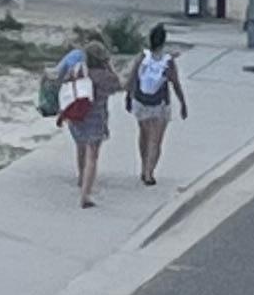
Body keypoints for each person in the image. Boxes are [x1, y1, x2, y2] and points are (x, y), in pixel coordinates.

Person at [56, 32, 113, 209]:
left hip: (77, 115)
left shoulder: (77, 68)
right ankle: (85, 194)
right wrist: (109, 67)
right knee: (92, 155)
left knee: (80, 147)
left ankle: (82, 177)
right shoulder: (104, 75)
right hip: (96, 119)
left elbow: (61, 81)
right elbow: (118, 85)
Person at [128, 27, 189, 185]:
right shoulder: (168, 61)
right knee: (156, 140)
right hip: (160, 104)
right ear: (164, 41)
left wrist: (128, 97)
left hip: (141, 101)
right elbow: (175, 83)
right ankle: (149, 173)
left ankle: (143, 167)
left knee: (144, 135)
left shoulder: (142, 57)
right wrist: (183, 103)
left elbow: (132, 77)